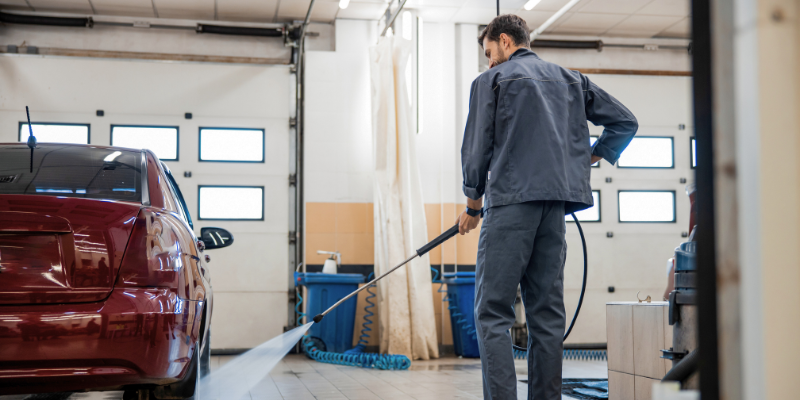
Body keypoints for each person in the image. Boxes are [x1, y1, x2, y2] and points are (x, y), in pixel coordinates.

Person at [456, 14, 638, 400]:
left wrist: (473, 205)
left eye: (489, 52)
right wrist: (595, 155)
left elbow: (475, 150)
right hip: (555, 212)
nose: (488, 62)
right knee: (547, 318)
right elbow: (625, 121)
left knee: (492, 315)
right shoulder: (572, 80)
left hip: (509, 207)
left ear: (505, 41)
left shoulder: (491, 82)